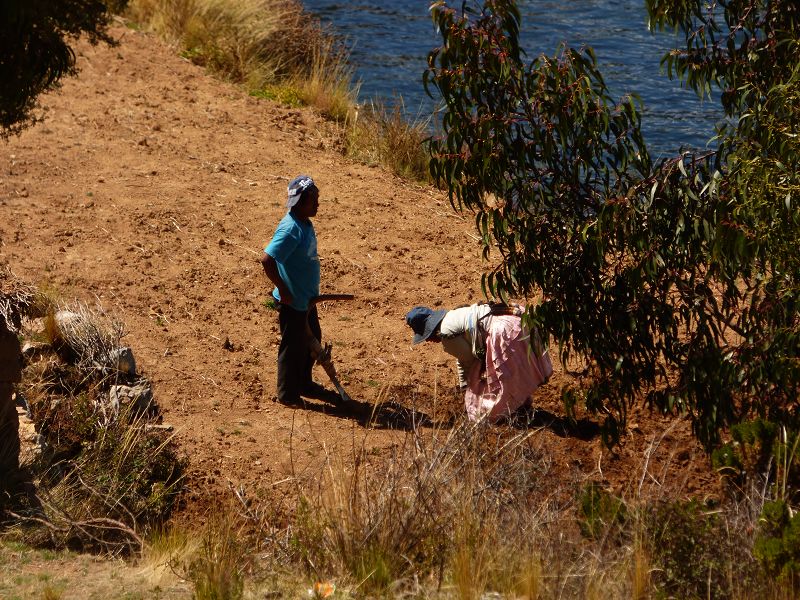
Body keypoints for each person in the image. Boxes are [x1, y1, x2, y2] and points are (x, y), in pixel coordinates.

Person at [405, 302, 553, 422]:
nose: (429, 341)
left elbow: (471, 361)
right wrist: (464, 386)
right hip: (516, 319)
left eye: (427, 337)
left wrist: (472, 391)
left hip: (504, 332)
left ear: (429, 331)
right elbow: (462, 358)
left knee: (505, 379)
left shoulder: (446, 335)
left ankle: (506, 412)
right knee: (513, 374)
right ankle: (520, 405)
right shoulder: (453, 316)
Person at [261, 175, 331, 406]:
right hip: (294, 302)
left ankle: (303, 383)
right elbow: (267, 261)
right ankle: (288, 395)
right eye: (314, 199)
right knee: (292, 348)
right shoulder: (291, 229)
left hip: (307, 300)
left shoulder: (304, 222)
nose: (318, 203)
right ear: (301, 202)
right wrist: (284, 290)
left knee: (312, 340)